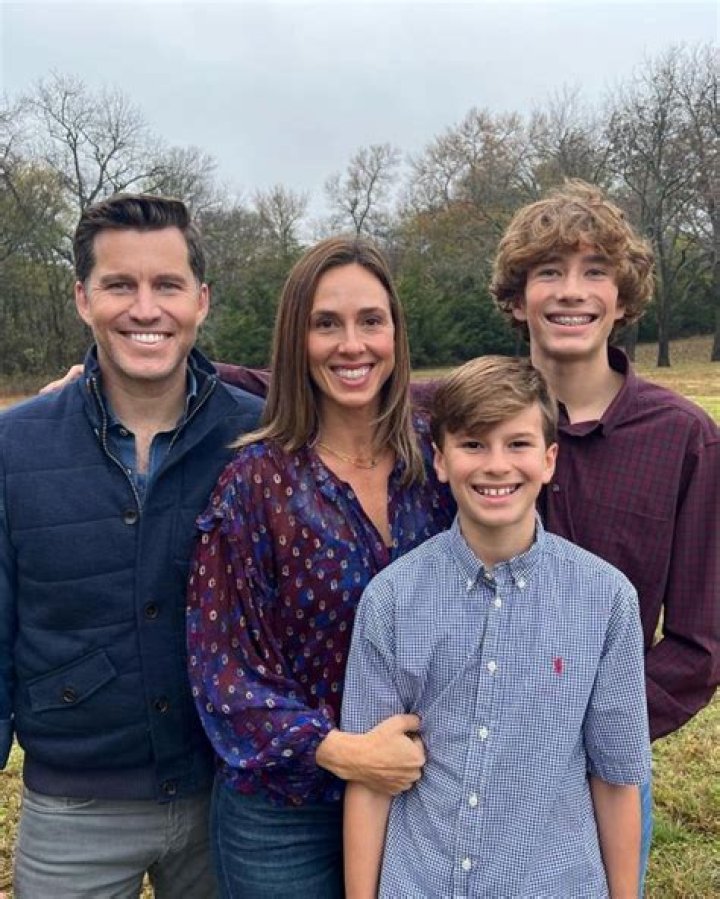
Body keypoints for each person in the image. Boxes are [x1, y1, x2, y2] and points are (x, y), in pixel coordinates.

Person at [0, 194, 265, 897]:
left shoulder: (261, 438)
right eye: (120, 285)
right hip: (73, 807)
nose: (146, 309)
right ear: (82, 298)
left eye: (167, 285)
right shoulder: (15, 446)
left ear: (201, 300)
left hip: (230, 792)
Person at [186, 235, 456, 898]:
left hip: (425, 794)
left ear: (396, 334)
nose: (352, 345)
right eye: (326, 324)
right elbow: (224, 672)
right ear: (296, 341)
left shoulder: (443, 464)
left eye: (371, 321)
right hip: (286, 813)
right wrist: (342, 750)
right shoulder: (256, 485)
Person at [342, 355, 651, 898]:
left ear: (549, 460)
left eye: (518, 444)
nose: (496, 465)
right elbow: (370, 781)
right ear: (441, 460)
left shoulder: (606, 601)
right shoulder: (391, 600)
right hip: (422, 882)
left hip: (554, 883)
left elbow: (616, 777)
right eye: (474, 445)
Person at [489, 180, 719, 889]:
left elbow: (700, 642)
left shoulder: (683, 439)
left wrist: (594, 727)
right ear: (516, 298)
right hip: (468, 762)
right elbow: (330, 388)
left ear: (622, 300)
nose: (571, 291)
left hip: (602, 777)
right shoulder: (461, 418)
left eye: (595, 271)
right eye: (548, 271)